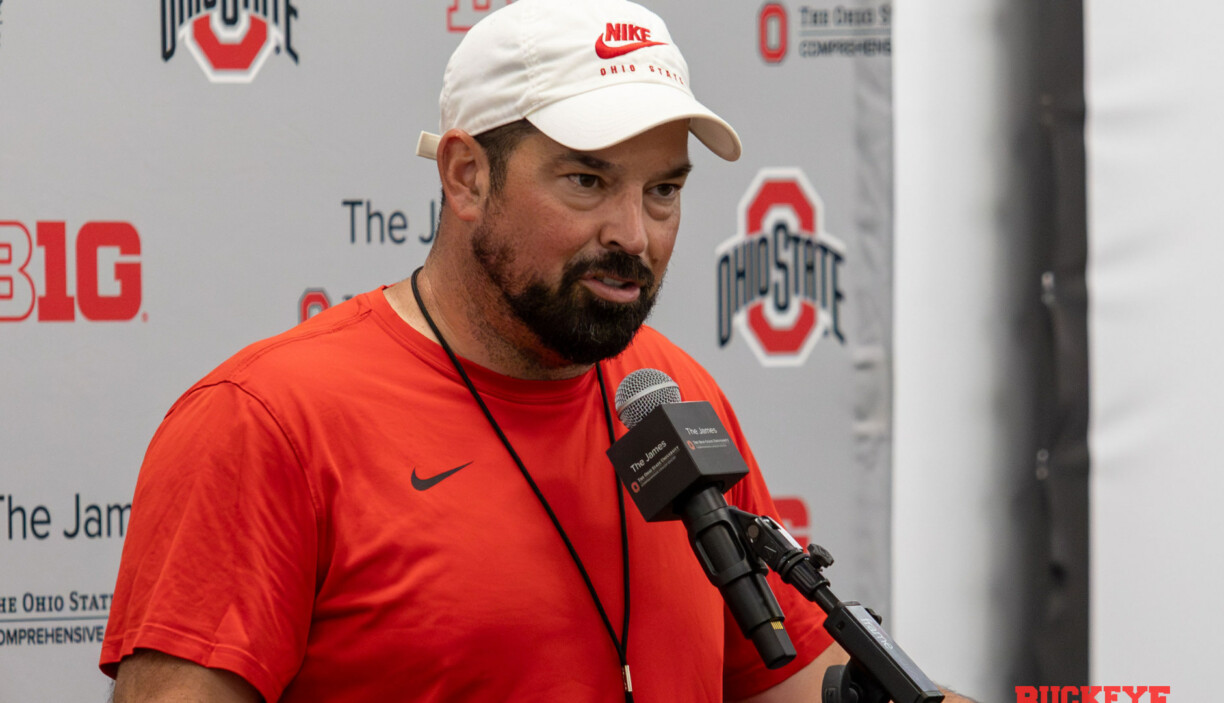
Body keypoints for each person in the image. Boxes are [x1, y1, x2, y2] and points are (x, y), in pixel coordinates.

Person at [101, 1, 975, 701]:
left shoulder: (669, 389)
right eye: (587, 180)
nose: (634, 234)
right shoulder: (267, 421)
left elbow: (787, 680)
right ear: (466, 176)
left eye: (663, 190)